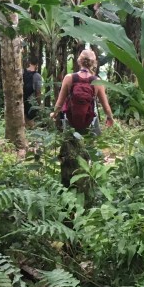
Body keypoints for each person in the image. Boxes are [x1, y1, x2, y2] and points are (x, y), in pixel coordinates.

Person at [52, 48, 114, 187]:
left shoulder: (69, 78)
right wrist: (110, 118)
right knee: (89, 149)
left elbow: (59, 103)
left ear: (79, 61)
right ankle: (89, 180)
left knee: (69, 148)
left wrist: (54, 114)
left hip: (70, 120)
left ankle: (68, 180)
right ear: (93, 63)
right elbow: (105, 106)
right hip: (90, 121)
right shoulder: (96, 81)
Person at [23, 56, 43, 123]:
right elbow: (38, 92)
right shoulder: (37, 76)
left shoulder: (21, 72)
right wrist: (39, 105)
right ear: (37, 64)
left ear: (29, 63)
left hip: (20, 101)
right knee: (30, 123)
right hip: (30, 102)